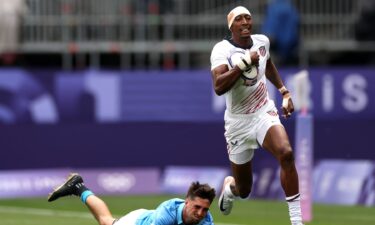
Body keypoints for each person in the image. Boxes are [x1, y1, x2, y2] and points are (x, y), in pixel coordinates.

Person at [210, 6, 303, 225]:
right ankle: (230, 188)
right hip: (238, 123)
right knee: (244, 190)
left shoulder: (262, 42)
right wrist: (242, 65)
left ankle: (296, 220)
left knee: (286, 153)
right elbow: (218, 86)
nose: (245, 22)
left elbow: (267, 63)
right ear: (231, 26)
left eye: (248, 18)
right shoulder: (221, 50)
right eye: (239, 19)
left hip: (263, 112)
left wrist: (284, 91)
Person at [48, 173, 216, 225]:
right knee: (106, 221)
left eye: (205, 209)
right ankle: (78, 188)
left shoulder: (207, 221)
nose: (201, 213)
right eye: (197, 207)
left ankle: (78, 187)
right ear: (187, 201)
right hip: (137, 222)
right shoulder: (168, 212)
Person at [261, 0, 299, 65]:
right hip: (292, 41)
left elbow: (269, 30)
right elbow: (296, 21)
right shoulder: (290, 7)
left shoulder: (273, 8)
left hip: (277, 42)